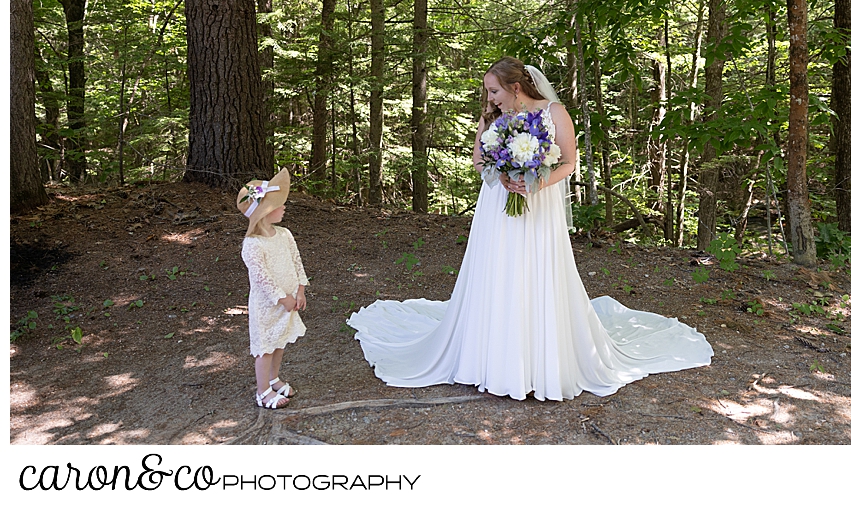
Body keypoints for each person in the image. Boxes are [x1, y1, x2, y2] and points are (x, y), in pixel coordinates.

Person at [348, 57, 713, 401]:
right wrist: (503, 175)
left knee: (536, 272)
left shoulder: (555, 114)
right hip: (497, 207)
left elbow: (568, 162)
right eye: (488, 92)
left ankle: (539, 360)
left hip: (540, 206)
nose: (489, 98)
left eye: (494, 91)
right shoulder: (492, 118)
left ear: (517, 87)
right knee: (497, 271)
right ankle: (489, 358)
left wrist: (535, 182)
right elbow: (478, 161)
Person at [237, 167, 309, 409]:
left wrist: (300, 290)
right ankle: (263, 391)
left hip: (289, 299)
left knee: (280, 341)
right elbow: (261, 277)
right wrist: (282, 298)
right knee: (266, 346)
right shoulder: (252, 244)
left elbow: (296, 261)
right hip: (268, 305)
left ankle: (274, 378)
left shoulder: (285, 234)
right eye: (280, 204)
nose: (284, 207)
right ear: (265, 211)